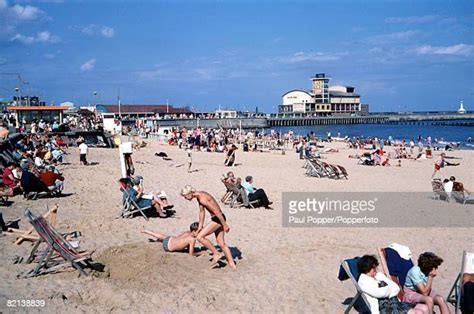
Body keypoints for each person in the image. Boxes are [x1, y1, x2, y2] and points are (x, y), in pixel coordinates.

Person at [180, 185, 236, 269]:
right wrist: (200, 226)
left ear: (189, 193)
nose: (185, 198)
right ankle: (232, 264)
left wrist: (224, 224)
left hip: (218, 219)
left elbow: (216, 211)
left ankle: (216, 253)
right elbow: (202, 212)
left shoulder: (202, 199)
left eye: (185, 196)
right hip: (218, 218)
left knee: (200, 237)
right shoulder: (199, 196)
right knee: (221, 243)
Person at [357, 255, 428, 314]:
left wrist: (387, 290)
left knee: (424, 308)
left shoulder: (379, 275)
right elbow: (380, 293)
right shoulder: (363, 281)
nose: (376, 269)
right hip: (384, 308)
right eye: (374, 267)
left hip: (395, 303)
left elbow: (396, 287)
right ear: (367, 267)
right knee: (416, 312)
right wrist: (389, 288)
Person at [141, 222, 206, 256]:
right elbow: (191, 255)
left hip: (169, 239)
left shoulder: (187, 232)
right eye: (199, 232)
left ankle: (147, 231)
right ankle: (159, 240)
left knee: (164, 236)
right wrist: (200, 253)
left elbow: (178, 238)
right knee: (165, 237)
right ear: (194, 231)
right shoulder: (192, 239)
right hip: (167, 247)